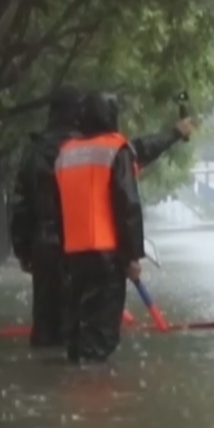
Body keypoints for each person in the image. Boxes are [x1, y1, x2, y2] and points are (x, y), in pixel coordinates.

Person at [53, 94, 146, 365]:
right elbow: (127, 204)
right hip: (106, 255)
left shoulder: (65, 152)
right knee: (100, 337)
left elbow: (58, 208)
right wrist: (132, 256)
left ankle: (71, 396)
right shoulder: (117, 149)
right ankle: (96, 400)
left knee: (76, 332)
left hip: (72, 255)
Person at [8, 87, 85, 347]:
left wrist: (22, 250)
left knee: (45, 321)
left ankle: (41, 379)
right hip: (82, 243)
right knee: (77, 322)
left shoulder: (35, 150)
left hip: (44, 241)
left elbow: (20, 203)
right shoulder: (89, 149)